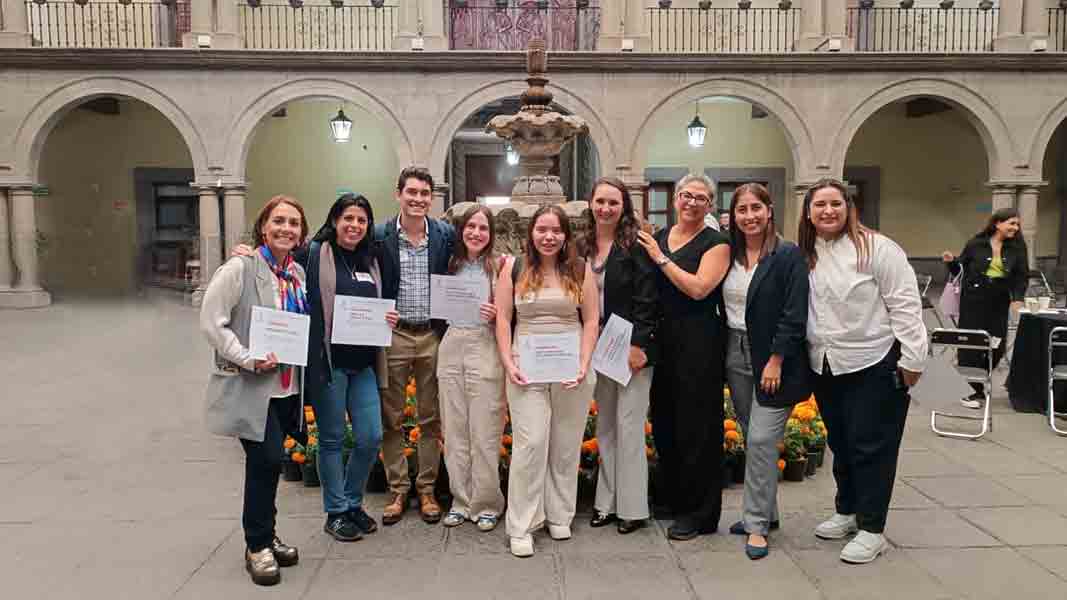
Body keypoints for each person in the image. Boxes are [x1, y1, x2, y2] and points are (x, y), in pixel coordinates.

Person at [799, 179, 927, 565]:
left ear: (848, 207)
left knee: (873, 447)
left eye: (835, 203)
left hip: (873, 363)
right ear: (808, 212)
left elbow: (905, 306)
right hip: (825, 363)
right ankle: (848, 510)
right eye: (819, 204)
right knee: (841, 441)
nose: (828, 211)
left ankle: (873, 529)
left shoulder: (878, 249)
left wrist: (912, 361)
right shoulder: (807, 252)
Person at [200, 195, 309, 586]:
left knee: (272, 462)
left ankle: (267, 533)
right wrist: (246, 357)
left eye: (294, 223)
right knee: (264, 461)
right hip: (253, 385)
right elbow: (212, 323)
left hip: (286, 386)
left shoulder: (295, 272)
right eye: (278, 221)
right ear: (263, 226)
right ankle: (257, 544)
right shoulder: (240, 268)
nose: (286, 228)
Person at [495, 204, 599, 558]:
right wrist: (509, 362)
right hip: (527, 367)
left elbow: (590, 321)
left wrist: (584, 363)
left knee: (566, 444)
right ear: (531, 233)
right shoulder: (513, 267)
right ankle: (522, 523)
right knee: (531, 443)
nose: (549, 236)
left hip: (572, 369)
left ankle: (559, 513)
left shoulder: (580, 270)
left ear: (566, 234)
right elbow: (503, 319)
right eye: (542, 229)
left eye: (556, 230)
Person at [636, 173, 731, 541]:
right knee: (665, 422)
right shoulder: (659, 236)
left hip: (699, 342)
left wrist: (660, 259)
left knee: (698, 428)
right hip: (664, 341)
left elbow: (699, 288)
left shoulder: (716, 243)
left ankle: (700, 512)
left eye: (700, 198)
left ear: (710, 205)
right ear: (676, 199)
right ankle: (675, 499)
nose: (691, 202)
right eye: (685, 195)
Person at [720, 183, 810, 560]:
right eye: (742, 210)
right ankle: (767, 513)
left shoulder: (787, 255)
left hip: (774, 359)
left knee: (759, 440)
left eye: (756, 208)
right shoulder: (731, 254)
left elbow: (794, 313)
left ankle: (756, 526)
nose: (750, 216)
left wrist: (776, 359)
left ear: (769, 210)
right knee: (748, 431)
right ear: (733, 216)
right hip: (735, 352)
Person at [301, 194, 397, 541]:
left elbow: (385, 301)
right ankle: (336, 511)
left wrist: (389, 315)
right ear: (335, 220)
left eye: (361, 219)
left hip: (364, 365)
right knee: (332, 439)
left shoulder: (373, 259)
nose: (355, 225)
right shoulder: (315, 254)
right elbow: (277, 265)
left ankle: (353, 502)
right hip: (331, 364)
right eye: (348, 218)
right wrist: (244, 254)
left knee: (371, 436)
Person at [375, 166, 456, 525]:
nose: (419, 199)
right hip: (394, 334)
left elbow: (469, 262)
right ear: (399, 194)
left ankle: (426, 489)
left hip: (431, 335)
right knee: (390, 416)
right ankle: (397, 488)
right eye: (412, 192)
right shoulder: (378, 236)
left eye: (425, 194)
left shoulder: (444, 234)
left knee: (430, 417)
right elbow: (335, 251)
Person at [581, 177, 660, 535]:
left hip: (630, 349)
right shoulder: (583, 245)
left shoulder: (635, 244)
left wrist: (639, 345)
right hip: (598, 347)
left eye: (613, 202)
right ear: (591, 203)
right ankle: (605, 503)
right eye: (600, 201)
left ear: (624, 206)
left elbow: (648, 298)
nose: (606, 208)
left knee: (630, 427)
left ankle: (632, 507)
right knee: (607, 427)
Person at [438, 205, 507, 532]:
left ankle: (487, 502)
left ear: (491, 234)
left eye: (483, 228)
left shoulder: (500, 266)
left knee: (485, 428)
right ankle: (461, 501)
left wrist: (498, 313)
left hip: (484, 343)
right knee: (454, 429)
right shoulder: (449, 265)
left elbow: (512, 313)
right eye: (471, 227)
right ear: (461, 230)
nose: (476, 233)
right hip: (452, 344)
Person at [942, 208, 1028, 409]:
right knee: (971, 343)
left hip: (999, 299)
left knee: (997, 344)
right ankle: (967, 390)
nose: (1015, 228)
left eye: (1017, 224)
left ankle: (978, 383)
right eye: (1011, 223)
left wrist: (1017, 298)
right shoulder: (976, 243)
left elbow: (1021, 275)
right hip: (973, 299)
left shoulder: (1018, 247)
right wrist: (951, 262)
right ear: (997, 223)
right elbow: (960, 270)